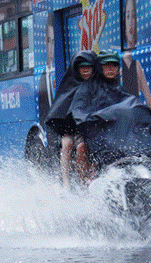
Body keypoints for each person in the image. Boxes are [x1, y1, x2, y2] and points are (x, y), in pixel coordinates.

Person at [45, 50, 98, 187]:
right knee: (68, 144)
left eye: (89, 67)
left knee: (82, 146)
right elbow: (60, 112)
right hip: (71, 130)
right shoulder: (69, 85)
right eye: (82, 67)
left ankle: (84, 182)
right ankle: (67, 185)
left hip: (93, 130)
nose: (86, 70)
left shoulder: (99, 85)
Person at [122, 0, 151, 111]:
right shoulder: (117, 65)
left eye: (134, 17)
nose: (131, 23)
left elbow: (150, 102)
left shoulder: (136, 65)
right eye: (128, 17)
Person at [38, 12, 56, 124]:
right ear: (45, 41)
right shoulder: (42, 80)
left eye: (54, 42)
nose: (51, 48)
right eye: (49, 41)